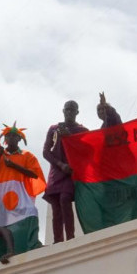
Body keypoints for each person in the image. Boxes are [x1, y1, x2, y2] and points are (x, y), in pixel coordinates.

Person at [0, 125, 46, 254]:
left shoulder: (27, 155)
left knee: (30, 212)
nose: (11, 138)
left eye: (14, 136)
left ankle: (32, 244)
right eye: (8, 136)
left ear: (19, 139)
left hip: (19, 193)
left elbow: (35, 174)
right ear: (5, 138)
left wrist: (13, 166)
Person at [43, 100, 88, 243]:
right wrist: (60, 164)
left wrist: (70, 138)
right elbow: (46, 152)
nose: (69, 112)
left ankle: (70, 237)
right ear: (63, 111)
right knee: (56, 207)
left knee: (65, 199)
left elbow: (86, 152)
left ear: (77, 112)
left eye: (72, 110)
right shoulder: (54, 129)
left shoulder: (82, 131)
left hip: (71, 173)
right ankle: (57, 240)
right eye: (67, 109)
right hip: (56, 172)